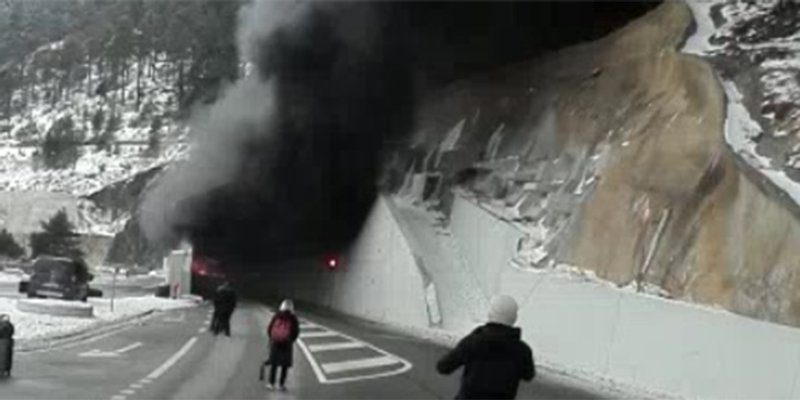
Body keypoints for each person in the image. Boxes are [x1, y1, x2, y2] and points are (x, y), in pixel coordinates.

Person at [437, 295, 535, 399]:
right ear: (514, 318)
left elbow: (443, 367)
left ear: (490, 314)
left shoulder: (473, 341)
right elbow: (528, 375)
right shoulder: (522, 350)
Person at [265, 299, 300, 391]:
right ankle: (281, 384)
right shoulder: (293, 318)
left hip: (275, 342)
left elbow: (269, 328)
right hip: (286, 344)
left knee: (274, 364)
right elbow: (296, 332)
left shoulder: (277, 315)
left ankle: (271, 383)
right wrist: (290, 340)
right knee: (284, 365)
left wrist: (272, 338)